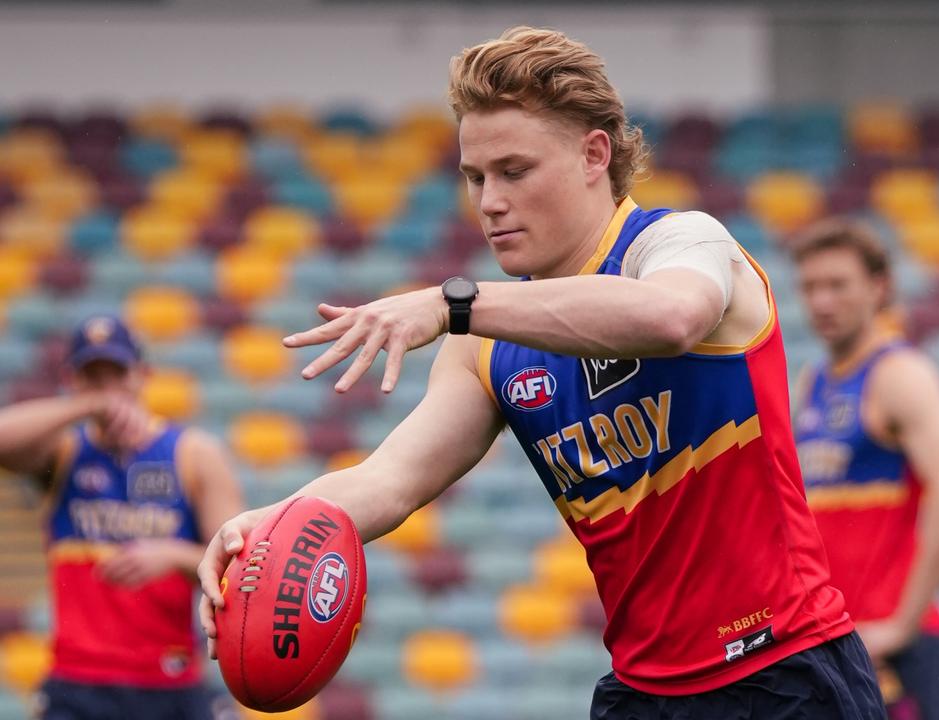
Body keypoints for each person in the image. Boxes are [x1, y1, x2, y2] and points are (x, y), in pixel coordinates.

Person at [198, 26, 887, 720]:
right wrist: (260, 531)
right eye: (475, 178)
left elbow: (672, 316)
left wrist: (451, 302)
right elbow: (390, 480)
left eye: (513, 171)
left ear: (595, 154)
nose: (489, 201)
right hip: (642, 693)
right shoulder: (486, 342)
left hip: (783, 672)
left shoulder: (681, 243)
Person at [0, 314, 244, 720]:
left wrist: (175, 554)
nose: (107, 390)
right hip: (77, 683)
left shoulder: (193, 454)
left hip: (169, 680)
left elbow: (240, 566)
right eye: (92, 378)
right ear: (71, 381)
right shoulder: (62, 452)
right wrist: (88, 406)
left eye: (116, 375)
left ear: (142, 375)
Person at [789, 218, 939, 720]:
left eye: (837, 285)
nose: (822, 302)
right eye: (811, 287)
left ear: (879, 288)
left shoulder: (900, 376)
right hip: (832, 642)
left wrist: (903, 622)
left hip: (889, 646)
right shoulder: (812, 385)